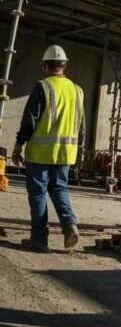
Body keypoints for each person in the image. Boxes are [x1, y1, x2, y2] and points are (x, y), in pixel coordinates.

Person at [12, 45, 85, 252]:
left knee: (38, 194)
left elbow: (31, 119)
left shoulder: (42, 86)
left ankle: (39, 239)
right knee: (59, 189)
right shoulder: (77, 91)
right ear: (64, 66)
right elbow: (82, 125)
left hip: (40, 153)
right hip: (66, 153)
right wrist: (79, 151)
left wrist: (19, 144)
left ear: (45, 66)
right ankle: (69, 224)